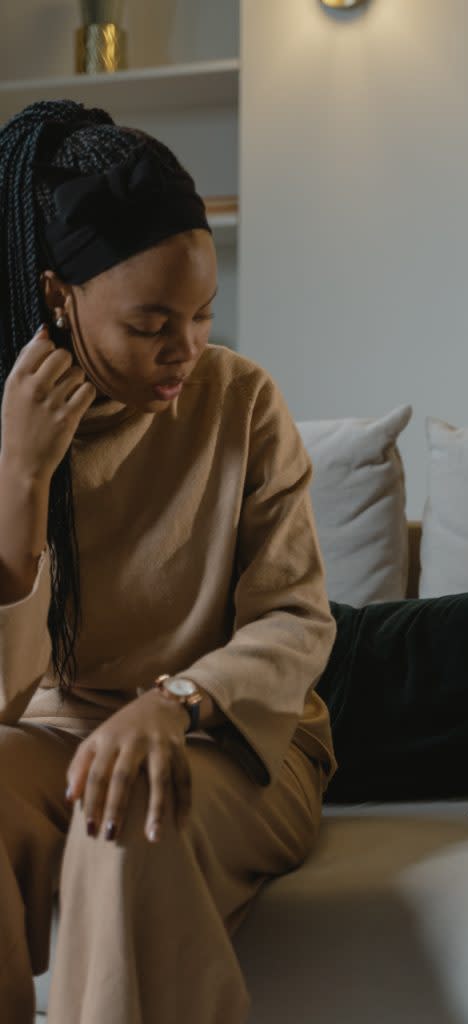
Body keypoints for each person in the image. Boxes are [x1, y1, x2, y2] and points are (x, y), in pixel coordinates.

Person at [0, 99, 338, 1024]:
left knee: (124, 821)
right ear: (58, 296)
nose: (186, 349)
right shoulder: (7, 439)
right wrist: (22, 479)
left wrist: (172, 702)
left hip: (235, 737)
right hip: (57, 733)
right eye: (152, 322)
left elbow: (295, 620)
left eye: (202, 314)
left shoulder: (239, 402)